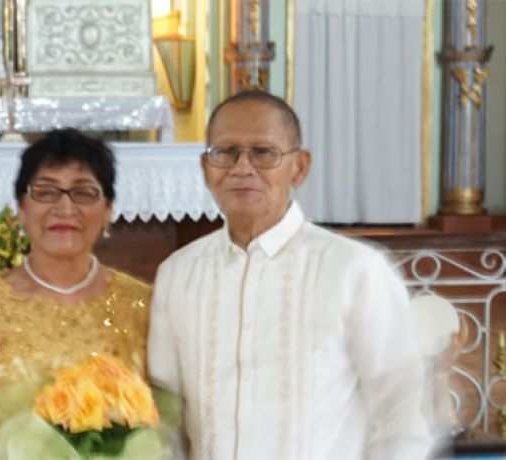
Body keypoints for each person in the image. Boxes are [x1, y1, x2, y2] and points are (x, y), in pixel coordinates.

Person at [148, 90, 432, 459]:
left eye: (263, 153)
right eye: (225, 152)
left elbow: (402, 411)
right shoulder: (178, 274)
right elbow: (166, 410)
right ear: (206, 169)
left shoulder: (354, 270)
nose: (242, 167)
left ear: (299, 167)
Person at [0, 128, 151, 404]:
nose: (65, 208)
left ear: (108, 210)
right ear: (21, 208)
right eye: (45, 191)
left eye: (83, 192)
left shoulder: (143, 306)